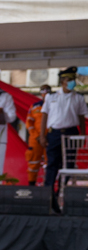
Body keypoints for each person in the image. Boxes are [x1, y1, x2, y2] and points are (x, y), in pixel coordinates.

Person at [41, 67, 86, 210]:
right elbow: (44, 116)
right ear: (62, 81)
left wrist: (83, 135)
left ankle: (61, 194)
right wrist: (42, 135)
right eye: (69, 80)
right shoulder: (51, 97)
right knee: (52, 164)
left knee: (69, 165)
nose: (72, 82)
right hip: (54, 134)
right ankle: (47, 196)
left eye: (73, 79)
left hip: (71, 133)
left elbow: (81, 118)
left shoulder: (78, 98)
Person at [26, 85, 50, 185]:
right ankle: (31, 186)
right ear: (40, 93)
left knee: (50, 163)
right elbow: (29, 123)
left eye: (47, 91)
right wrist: (37, 136)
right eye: (43, 91)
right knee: (33, 163)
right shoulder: (35, 106)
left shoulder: (55, 105)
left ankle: (49, 186)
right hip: (35, 140)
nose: (45, 93)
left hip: (50, 139)